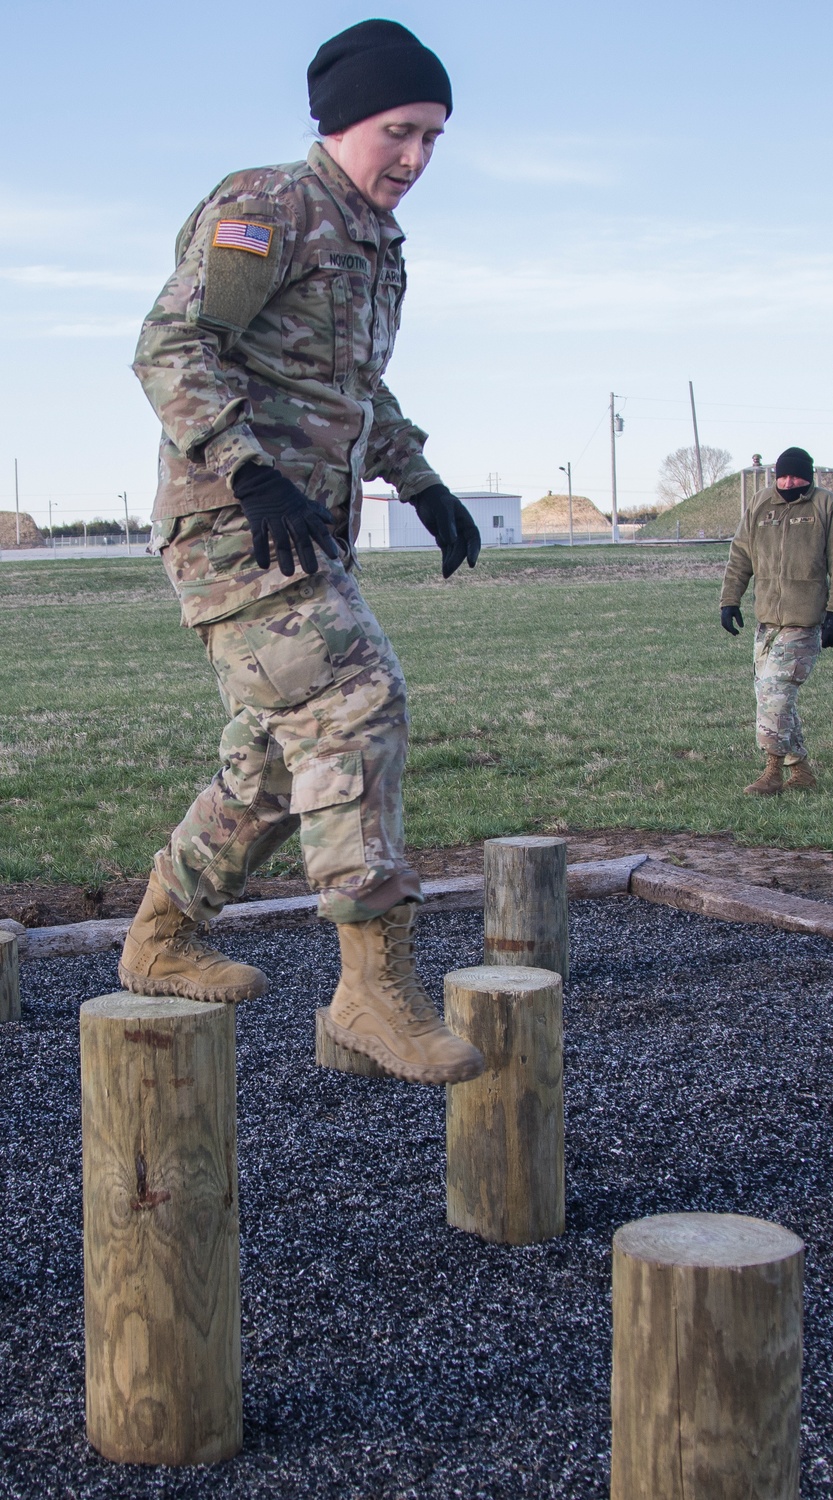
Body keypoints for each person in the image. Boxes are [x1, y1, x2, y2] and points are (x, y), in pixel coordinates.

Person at [119, 20, 484, 1086]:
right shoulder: (267, 207)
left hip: (299, 527)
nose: (415, 160)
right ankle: (371, 986)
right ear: (341, 123)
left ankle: (162, 933)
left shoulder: (373, 244)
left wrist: (420, 480)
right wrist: (245, 465)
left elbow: (353, 388)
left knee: (278, 760)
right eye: (398, 132)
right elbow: (171, 345)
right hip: (232, 522)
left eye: (433, 139)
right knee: (354, 700)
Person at [719, 446, 833, 795]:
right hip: (767, 621)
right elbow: (740, 554)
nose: (788, 481)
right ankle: (803, 771)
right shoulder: (760, 504)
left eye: (795, 475)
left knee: (775, 695)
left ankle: (772, 772)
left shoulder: (826, 506)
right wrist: (729, 600)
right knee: (769, 696)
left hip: (804, 620)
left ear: (808, 477)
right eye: (782, 475)